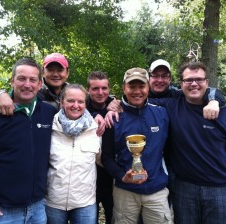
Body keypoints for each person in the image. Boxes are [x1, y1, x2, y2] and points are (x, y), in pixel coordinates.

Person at [151, 61, 226, 223]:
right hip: (184, 188)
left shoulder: (224, 112)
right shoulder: (171, 106)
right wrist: (114, 104)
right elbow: (137, 102)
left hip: (219, 188)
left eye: (199, 79)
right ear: (181, 84)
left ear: (207, 83)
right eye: (188, 80)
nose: (194, 84)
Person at [0, 58, 56, 223]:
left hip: (37, 209)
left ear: (39, 84)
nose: (27, 84)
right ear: (12, 81)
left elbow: (77, 107)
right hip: (3, 212)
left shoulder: (49, 113)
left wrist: (102, 115)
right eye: (22, 78)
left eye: (32, 80)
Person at [101, 68, 172, 224]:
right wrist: (122, 176)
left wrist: (214, 99)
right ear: (124, 88)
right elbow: (106, 157)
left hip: (156, 190)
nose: (137, 91)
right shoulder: (113, 118)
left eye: (142, 86)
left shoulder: (162, 114)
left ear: (148, 87)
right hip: (124, 191)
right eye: (132, 86)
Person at [0, 52, 105, 136]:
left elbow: (96, 102)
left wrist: (98, 113)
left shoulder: (74, 95)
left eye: (60, 70)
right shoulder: (33, 93)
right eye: (50, 70)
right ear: (43, 72)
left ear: (67, 73)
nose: (55, 74)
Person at [45, 84, 100, 224]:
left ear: (85, 104)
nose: (76, 105)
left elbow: (103, 160)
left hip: (85, 203)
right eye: (70, 101)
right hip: (54, 202)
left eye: (80, 101)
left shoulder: (96, 129)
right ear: (62, 102)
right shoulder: (49, 127)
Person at [86, 71, 114, 224]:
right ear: (88, 90)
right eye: (95, 88)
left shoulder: (116, 106)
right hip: (88, 177)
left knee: (113, 216)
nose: (100, 92)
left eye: (104, 88)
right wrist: (91, 115)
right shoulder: (79, 107)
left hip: (111, 175)